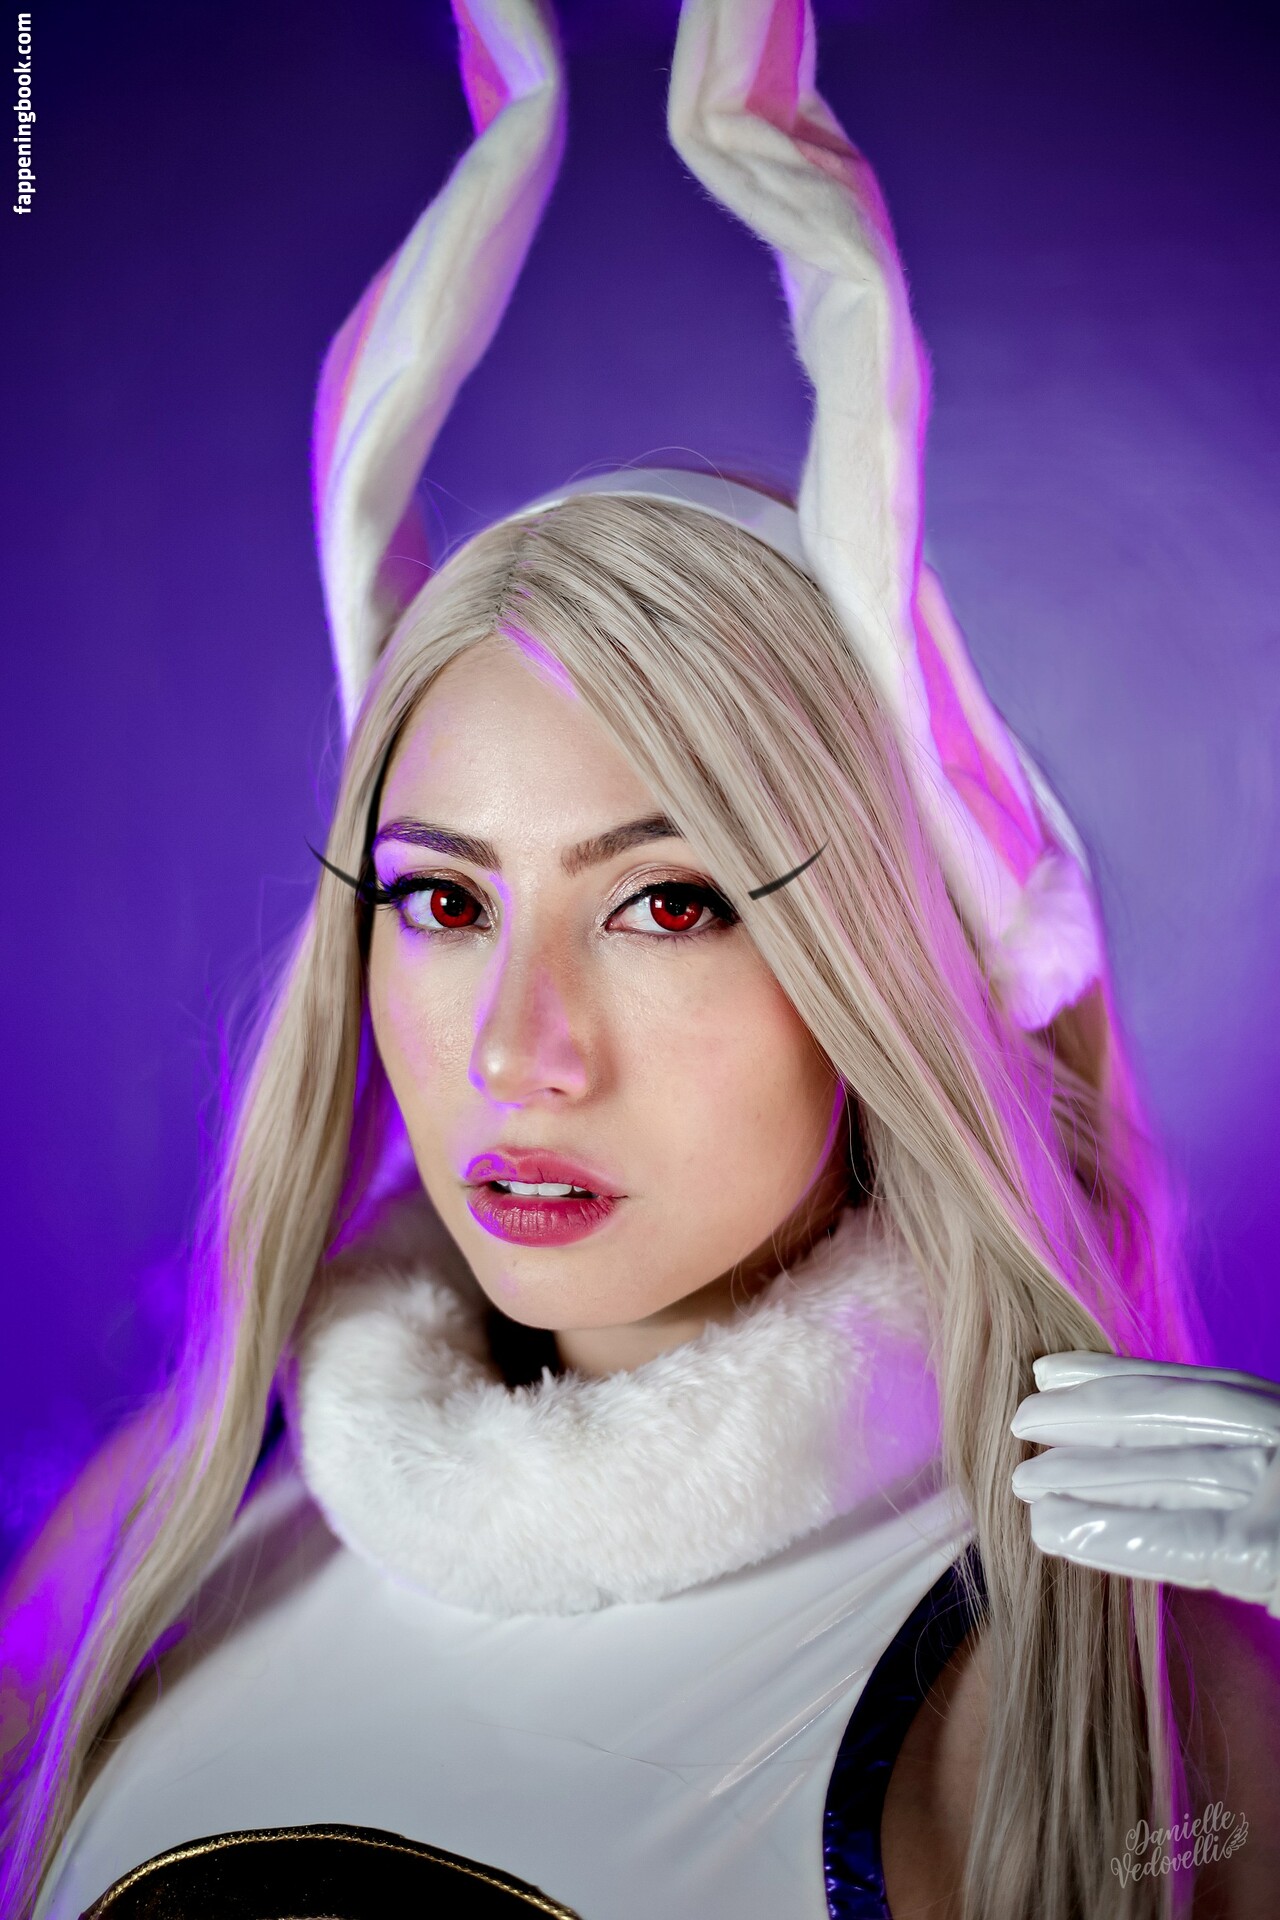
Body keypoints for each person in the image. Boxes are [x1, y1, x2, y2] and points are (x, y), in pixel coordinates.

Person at [3, 2, 1279, 1916]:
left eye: (669, 904)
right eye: (444, 904)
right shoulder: (177, 1530)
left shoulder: (1092, 1684)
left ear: (882, 967)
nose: (520, 1053)